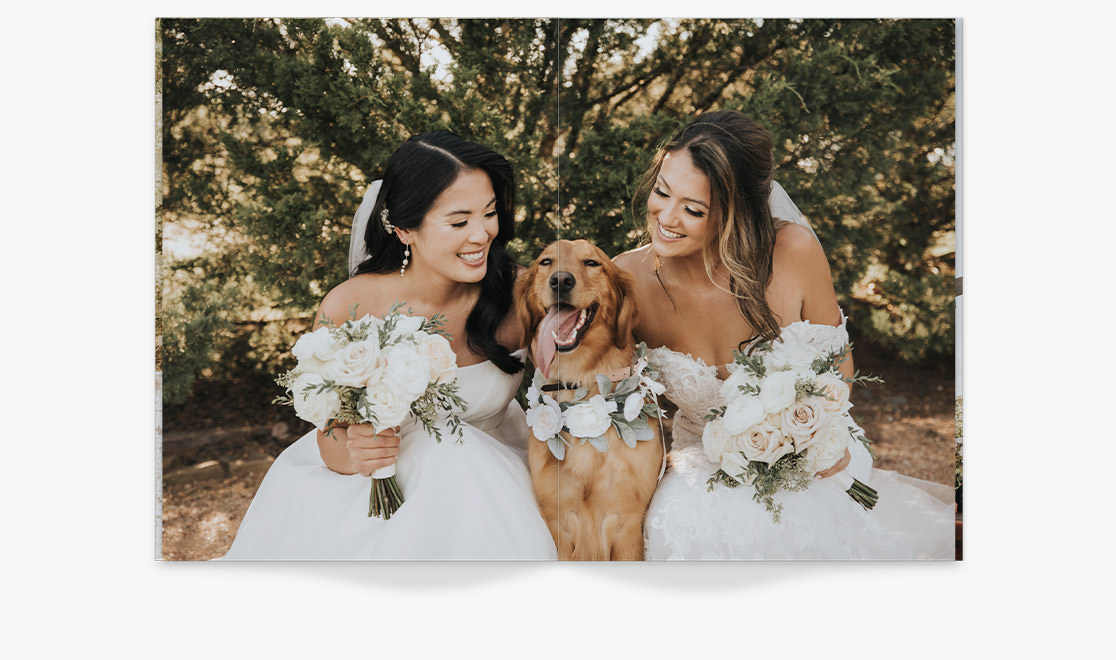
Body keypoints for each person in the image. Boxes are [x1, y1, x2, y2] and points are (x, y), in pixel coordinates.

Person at [613, 111, 955, 560]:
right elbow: (622, 398)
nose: (667, 217)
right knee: (693, 522)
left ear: (739, 213)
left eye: (694, 209)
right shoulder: (628, 278)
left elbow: (839, 366)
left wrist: (814, 435)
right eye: (662, 192)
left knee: (799, 515)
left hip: (816, 447)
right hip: (699, 462)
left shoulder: (794, 251)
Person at [224, 131, 558, 560]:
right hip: (378, 493)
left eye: (489, 213)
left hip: (502, 484)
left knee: (455, 459)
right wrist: (356, 450)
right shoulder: (353, 304)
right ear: (404, 229)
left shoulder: (522, 293)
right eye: (459, 222)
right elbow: (329, 436)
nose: (481, 235)